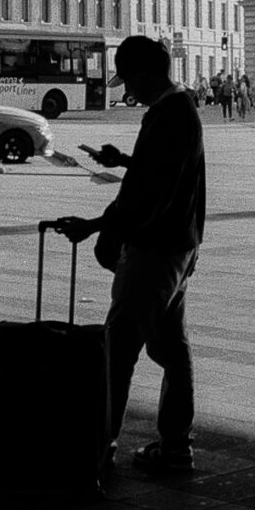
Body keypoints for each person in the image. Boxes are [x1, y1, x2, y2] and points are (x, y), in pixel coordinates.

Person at [55, 36, 205, 474]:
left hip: (155, 252)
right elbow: (160, 171)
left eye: (130, 81)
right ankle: (176, 446)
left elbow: (150, 196)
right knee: (172, 350)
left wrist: (96, 226)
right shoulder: (179, 109)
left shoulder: (168, 115)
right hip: (178, 246)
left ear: (144, 73)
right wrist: (121, 159)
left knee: (117, 352)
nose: (128, 92)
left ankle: (97, 446)